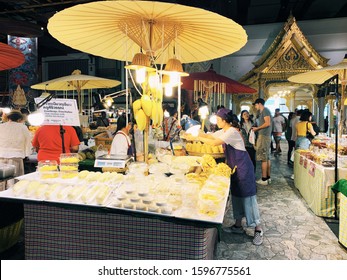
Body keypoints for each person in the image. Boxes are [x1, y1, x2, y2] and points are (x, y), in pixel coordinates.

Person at [190, 108, 263, 246]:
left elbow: (214, 143)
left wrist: (197, 137)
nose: (216, 122)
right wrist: (199, 133)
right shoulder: (224, 131)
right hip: (234, 167)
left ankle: (258, 229)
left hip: (243, 168)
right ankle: (237, 225)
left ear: (225, 121)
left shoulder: (232, 131)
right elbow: (211, 137)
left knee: (248, 198)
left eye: (218, 120)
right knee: (236, 195)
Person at [0, 110, 32, 177]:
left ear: (8, 118)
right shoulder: (23, 127)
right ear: (19, 119)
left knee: (2, 178)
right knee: (13, 178)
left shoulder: (1, 126)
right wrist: (27, 153)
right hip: (16, 156)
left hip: (1, 156)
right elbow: (28, 140)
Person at [252, 98, 272, 185]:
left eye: (256, 105)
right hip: (265, 136)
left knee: (263, 157)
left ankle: (264, 179)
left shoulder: (265, 110)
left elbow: (267, 123)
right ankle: (268, 177)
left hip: (264, 136)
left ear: (259, 104)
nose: (255, 107)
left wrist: (257, 128)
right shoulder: (263, 112)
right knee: (266, 157)